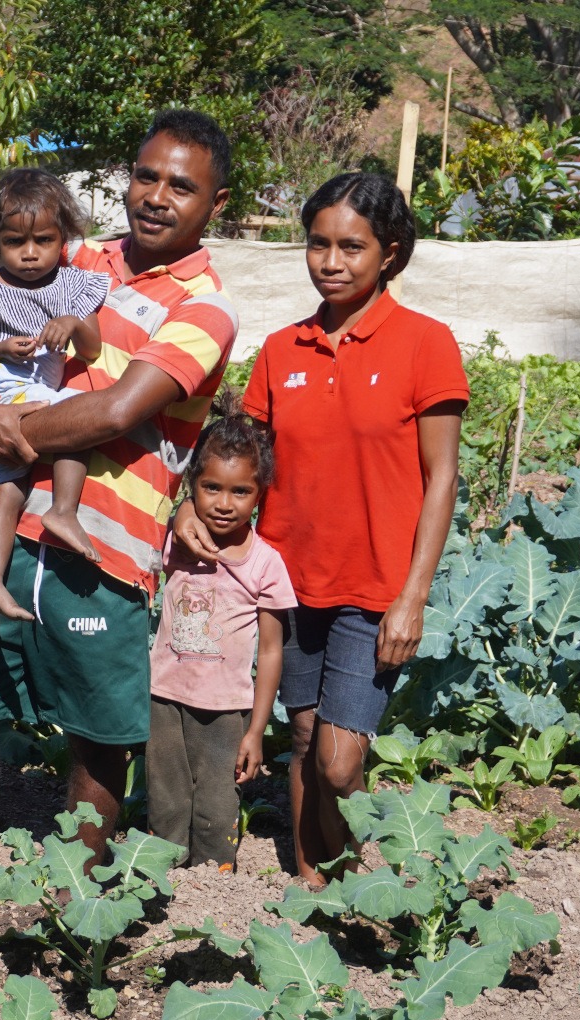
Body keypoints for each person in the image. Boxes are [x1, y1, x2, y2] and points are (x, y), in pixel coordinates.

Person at [0, 110, 239, 889]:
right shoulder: (73, 256)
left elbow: (114, 413)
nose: (158, 197)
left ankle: (76, 898)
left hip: (105, 549)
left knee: (97, 738)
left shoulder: (205, 308)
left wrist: (12, 429)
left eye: (182, 185)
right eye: (146, 176)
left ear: (216, 204)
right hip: (13, 528)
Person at [178, 171, 466, 886]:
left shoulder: (426, 344)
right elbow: (242, 457)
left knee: (339, 761)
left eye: (351, 248)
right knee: (302, 734)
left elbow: (442, 479)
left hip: (374, 586)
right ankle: (313, 885)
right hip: (288, 580)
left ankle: (365, 875)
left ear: (390, 253)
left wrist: (413, 597)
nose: (330, 262)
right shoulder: (283, 350)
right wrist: (186, 503)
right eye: (318, 244)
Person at [0, 168, 109, 620]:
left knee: (9, 491)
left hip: (35, 392)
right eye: (15, 243)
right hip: (6, 389)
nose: (30, 255)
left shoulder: (72, 286)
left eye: (44, 242)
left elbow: (92, 349)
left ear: (65, 239)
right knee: (80, 420)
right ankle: (62, 511)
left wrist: (72, 324)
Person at [146, 415, 294, 870]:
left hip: (227, 708)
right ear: (192, 485)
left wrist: (256, 729)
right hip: (162, 696)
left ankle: (214, 876)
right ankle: (162, 868)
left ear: (260, 493)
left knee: (216, 801)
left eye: (240, 491)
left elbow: (270, 651)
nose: (224, 503)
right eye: (211, 487)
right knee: (165, 793)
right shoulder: (175, 541)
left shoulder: (265, 564)